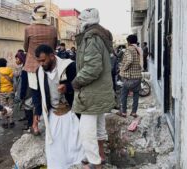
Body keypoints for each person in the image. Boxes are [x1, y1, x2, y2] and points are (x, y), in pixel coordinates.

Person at [72, 8, 115, 169]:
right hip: (99, 91)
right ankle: (99, 157)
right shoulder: (99, 36)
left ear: (85, 21)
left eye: (80, 19)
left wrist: (77, 81)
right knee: (98, 126)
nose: (79, 22)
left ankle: (94, 162)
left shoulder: (91, 38)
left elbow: (93, 67)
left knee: (86, 130)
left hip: (92, 92)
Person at [32, 44, 84, 169]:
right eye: (39, 61)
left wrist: (68, 88)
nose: (41, 64)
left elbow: (82, 85)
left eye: (43, 61)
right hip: (53, 115)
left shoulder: (69, 66)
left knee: (78, 145)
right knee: (55, 148)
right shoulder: (40, 72)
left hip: (71, 113)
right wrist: (37, 113)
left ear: (52, 56)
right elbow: (38, 93)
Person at [24, 5, 57, 135]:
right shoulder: (53, 29)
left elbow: (26, 47)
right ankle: (53, 122)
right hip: (50, 65)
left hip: (32, 66)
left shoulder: (28, 29)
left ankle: (35, 125)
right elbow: (54, 47)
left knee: (35, 94)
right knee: (51, 93)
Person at [117, 34, 142, 118]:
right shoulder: (139, 49)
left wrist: (123, 69)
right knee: (136, 95)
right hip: (138, 76)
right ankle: (134, 112)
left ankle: (123, 112)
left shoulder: (129, 49)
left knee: (124, 94)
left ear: (128, 42)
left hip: (129, 77)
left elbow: (129, 60)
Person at [15, 51, 34, 131]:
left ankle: (30, 125)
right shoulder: (25, 67)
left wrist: (22, 95)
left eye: (17, 58)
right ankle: (29, 123)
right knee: (28, 108)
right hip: (29, 91)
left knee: (28, 108)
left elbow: (24, 84)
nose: (16, 60)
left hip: (28, 92)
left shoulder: (25, 69)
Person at [0, 58, 15, 128]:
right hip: (10, 91)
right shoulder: (11, 71)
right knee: (11, 106)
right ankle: (11, 121)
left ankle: (5, 123)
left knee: (3, 107)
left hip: (2, 92)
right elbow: (14, 82)